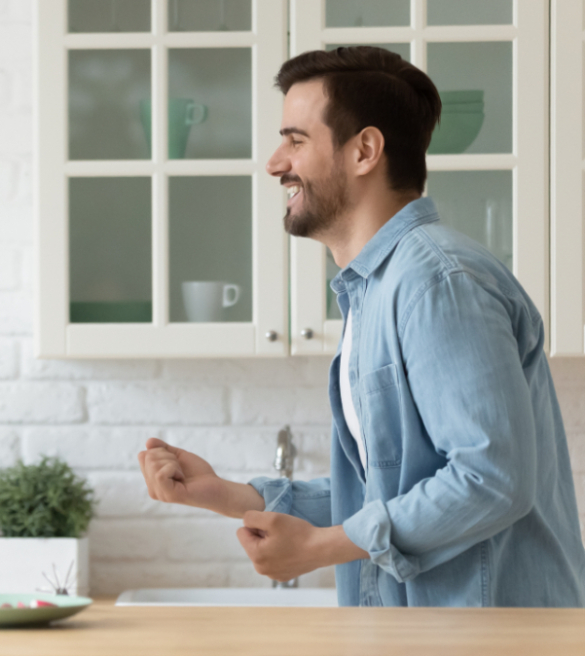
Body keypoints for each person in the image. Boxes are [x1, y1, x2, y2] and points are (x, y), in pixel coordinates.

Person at [138, 47, 585, 607]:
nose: (275, 163)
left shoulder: (437, 283)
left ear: (364, 151)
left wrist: (323, 546)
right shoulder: (377, 290)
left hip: (485, 638)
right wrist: (227, 494)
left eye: (296, 141)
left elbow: (490, 478)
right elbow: (391, 491)